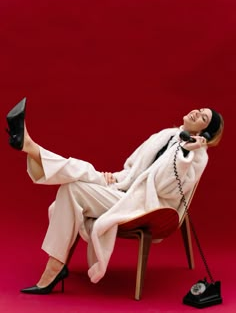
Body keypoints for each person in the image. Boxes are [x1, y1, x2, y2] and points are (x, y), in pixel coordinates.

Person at [5, 97, 224, 295]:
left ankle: (54, 267)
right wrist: (114, 178)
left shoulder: (196, 157)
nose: (196, 112)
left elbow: (165, 189)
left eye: (203, 117)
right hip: (125, 188)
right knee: (83, 171)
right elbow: (132, 168)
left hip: (145, 205)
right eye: (200, 109)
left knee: (72, 188)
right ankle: (30, 147)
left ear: (205, 134)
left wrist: (186, 152)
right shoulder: (166, 135)